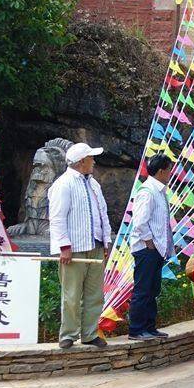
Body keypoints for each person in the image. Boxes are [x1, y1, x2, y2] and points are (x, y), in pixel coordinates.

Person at [48, 143, 112, 349]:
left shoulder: (94, 184)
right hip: (74, 248)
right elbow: (57, 218)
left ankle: (89, 333)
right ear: (82, 161)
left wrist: (106, 241)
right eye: (91, 158)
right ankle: (68, 334)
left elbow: (103, 214)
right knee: (72, 294)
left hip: (95, 245)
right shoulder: (63, 184)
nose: (94, 161)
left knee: (95, 294)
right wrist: (64, 247)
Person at [128, 153, 176, 340]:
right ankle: (136, 329)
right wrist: (149, 243)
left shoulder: (160, 191)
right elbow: (140, 222)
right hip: (147, 248)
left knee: (153, 289)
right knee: (143, 289)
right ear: (162, 171)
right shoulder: (147, 191)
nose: (171, 173)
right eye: (169, 170)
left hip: (157, 248)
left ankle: (149, 326)